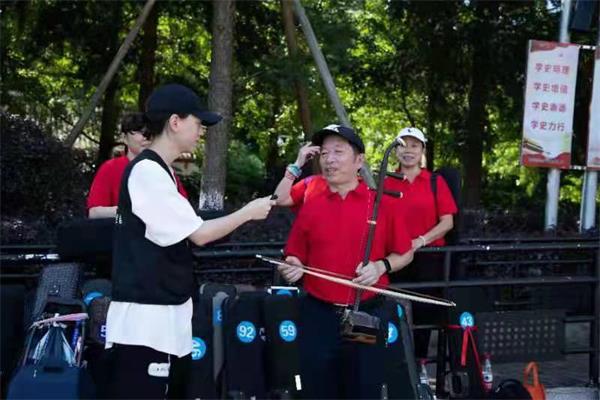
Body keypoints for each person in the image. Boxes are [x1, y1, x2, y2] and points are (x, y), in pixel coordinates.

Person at [105, 83, 276, 399]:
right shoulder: (147, 173)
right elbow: (199, 234)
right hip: (145, 325)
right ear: (175, 122)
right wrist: (248, 213)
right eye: (197, 123)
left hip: (166, 319)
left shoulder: (163, 172)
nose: (201, 132)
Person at [277, 124, 414, 399]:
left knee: (362, 384)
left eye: (338, 152)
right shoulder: (312, 200)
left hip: (363, 312)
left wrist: (381, 266)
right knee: (317, 386)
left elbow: (405, 253)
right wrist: (293, 265)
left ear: (359, 160)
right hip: (318, 312)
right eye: (325, 153)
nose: (329, 160)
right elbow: (295, 254)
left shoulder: (380, 203)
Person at [383, 126, 458, 358]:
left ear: (422, 150)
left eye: (414, 145)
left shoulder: (435, 181)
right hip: (395, 256)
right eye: (403, 146)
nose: (408, 151)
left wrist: (421, 241)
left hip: (429, 257)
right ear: (395, 151)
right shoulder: (386, 181)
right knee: (395, 310)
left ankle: (421, 364)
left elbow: (447, 222)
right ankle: (398, 363)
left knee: (424, 313)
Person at [86, 112, 188, 219]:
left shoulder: (164, 169)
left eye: (149, 132)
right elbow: (94, 212)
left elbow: (183, 209)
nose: (146, 137)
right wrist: (129, 211)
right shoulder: (110, 168)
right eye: (140, 132)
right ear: (124, 138)